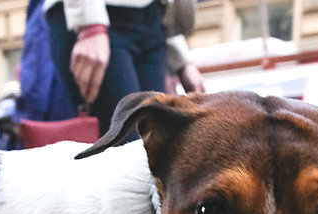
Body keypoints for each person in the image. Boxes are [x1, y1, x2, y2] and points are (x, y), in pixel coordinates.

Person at [42, 0, 205, 138]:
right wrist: (89, 26)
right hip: (99, 20)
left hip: (153, 19)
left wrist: (181, 57)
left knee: (155, 142)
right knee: (126, 144)